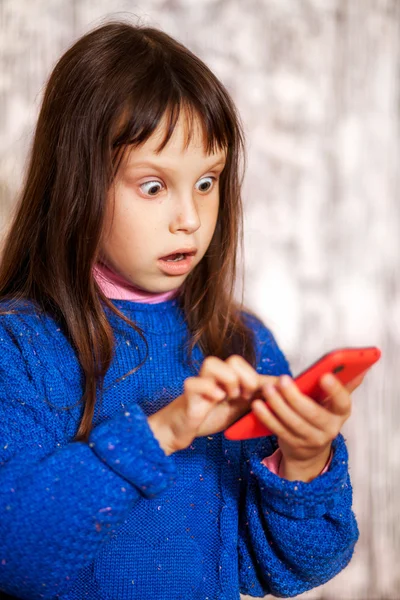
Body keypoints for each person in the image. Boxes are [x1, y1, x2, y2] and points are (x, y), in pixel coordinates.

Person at [0, 21, 361, 600]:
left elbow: (290, 567)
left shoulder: (239, 343)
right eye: (152, 186)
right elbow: (15, 556)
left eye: (206, 181)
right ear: (76, 185)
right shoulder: (20, 347)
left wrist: (304, 459)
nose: (189, 218)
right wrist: (160, 433)